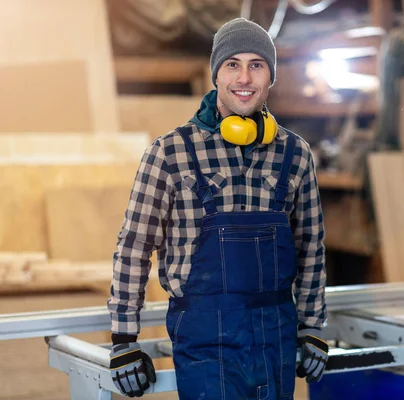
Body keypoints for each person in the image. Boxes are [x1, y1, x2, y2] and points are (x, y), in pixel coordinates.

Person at [107, 17, 328, 399]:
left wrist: (311, 325)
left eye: (256, 65)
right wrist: (124, 339)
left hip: (275, 334)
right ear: (216, 75)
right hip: (205, 338)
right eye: (232, 64)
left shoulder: (295, 154)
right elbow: (134, 247)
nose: (244, 77)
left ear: (270, 77)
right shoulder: (171, 152)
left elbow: (310, 247)